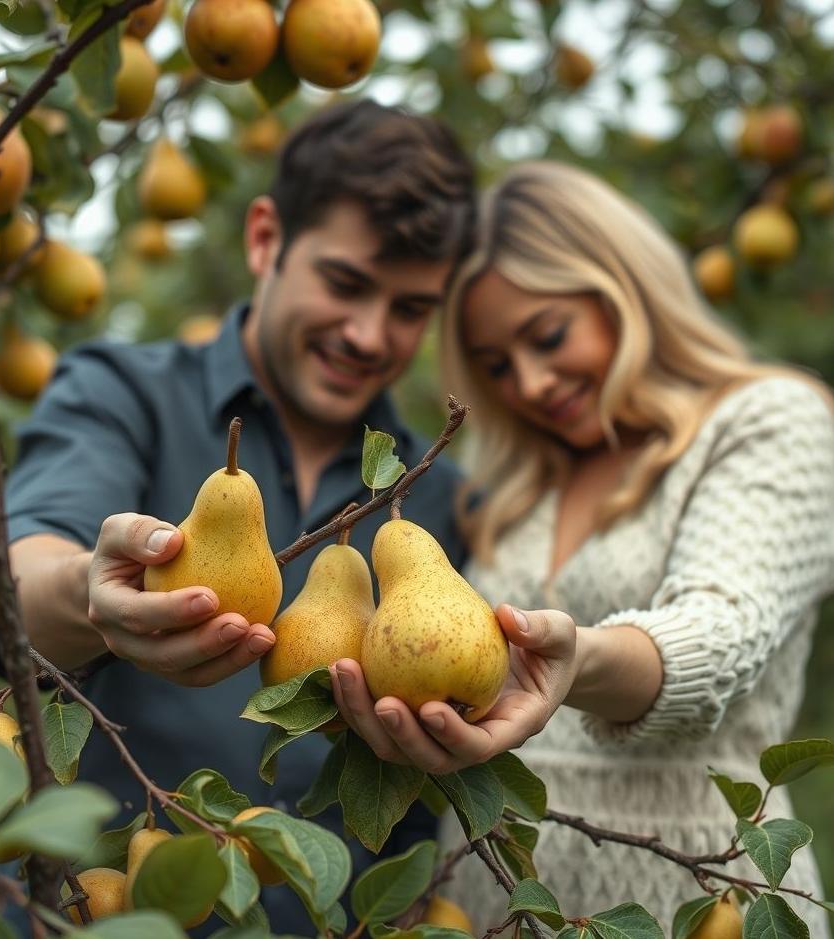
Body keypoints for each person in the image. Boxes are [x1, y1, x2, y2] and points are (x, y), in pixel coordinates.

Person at [0, 98, 477, 935]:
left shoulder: (433, 495)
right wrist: (93, 597)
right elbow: (12, 578)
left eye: (410, 308)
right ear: (266, 238)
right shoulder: (122, 394)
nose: (367, 332)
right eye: (344, 282)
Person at [329, 161, 834, 936]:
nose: (527, 382)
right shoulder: (512, 491)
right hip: (489, 891)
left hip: (696, 893)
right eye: (496, 364)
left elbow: (726, 631)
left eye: (547, 335)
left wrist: (578, 662)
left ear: (621, 286)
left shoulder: (768, 422)